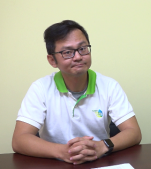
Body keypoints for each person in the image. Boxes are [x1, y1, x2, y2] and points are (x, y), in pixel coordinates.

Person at [12, 20, 142, 164]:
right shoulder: (40, 88)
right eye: (67, 52)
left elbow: (134, 132)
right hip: (55, 162)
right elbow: (19, 140)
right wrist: (64, 152)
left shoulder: (109, 86)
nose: (78, 57)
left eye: (82, 48)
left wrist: (102, 146)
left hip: (99, 160)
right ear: (52, 60)